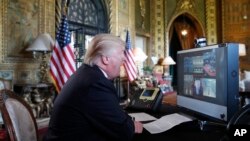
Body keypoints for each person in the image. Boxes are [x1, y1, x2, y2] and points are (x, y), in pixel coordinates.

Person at [43, 34, 143, 141]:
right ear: (106, 59)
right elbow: (123, 132)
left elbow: (114, 113)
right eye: (121, 53)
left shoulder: (87, 74)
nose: (124, 59)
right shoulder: (95, 84)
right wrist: (132, 126)